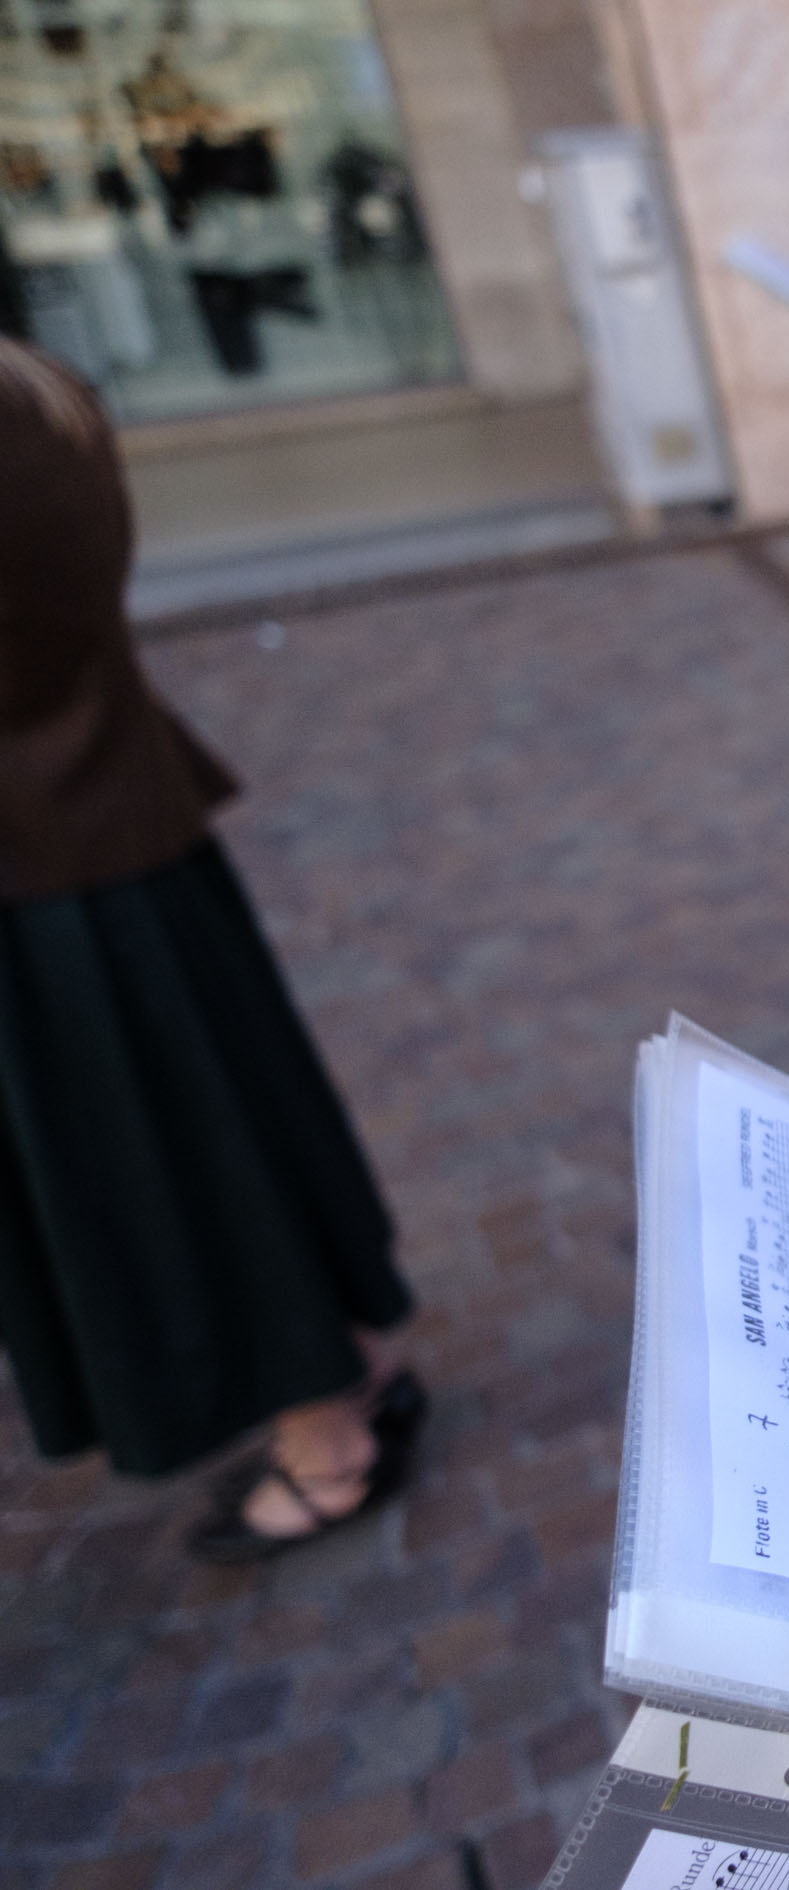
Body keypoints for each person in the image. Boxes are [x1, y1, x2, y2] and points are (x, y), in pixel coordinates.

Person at [0, 337, 421, 1561]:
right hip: (108, 829)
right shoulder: (34, 384)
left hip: (48, 871)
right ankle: (343, 1374)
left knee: (177, 1170)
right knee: (226, 1135)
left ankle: (326, 1441)